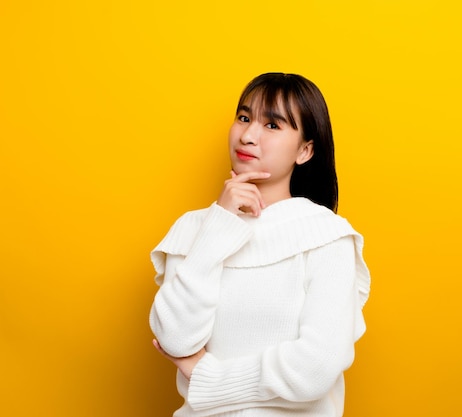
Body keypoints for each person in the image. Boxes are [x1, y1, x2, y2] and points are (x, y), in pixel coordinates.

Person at [149, 72, 371, 416]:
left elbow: (315, 368)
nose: (248, 135)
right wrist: (219, 225)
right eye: (244, 118)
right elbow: (176, 339)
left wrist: (208, 377)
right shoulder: (194, 229)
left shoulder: (327, 236)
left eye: (272, 125)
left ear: (305, 150)